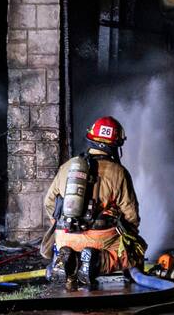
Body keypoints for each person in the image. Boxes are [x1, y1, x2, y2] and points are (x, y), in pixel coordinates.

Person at [42, 116, 143, 288]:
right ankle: (96, 261)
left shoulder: (67, 166)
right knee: (136, 250)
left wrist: (63, 227)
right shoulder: (119, 172)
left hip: (64, 237)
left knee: (69, 252)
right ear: (115, 145)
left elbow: (49, 203)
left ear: (91, 140)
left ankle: (69, 263)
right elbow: (131, 214)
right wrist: (129, 236)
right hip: (100, 240)